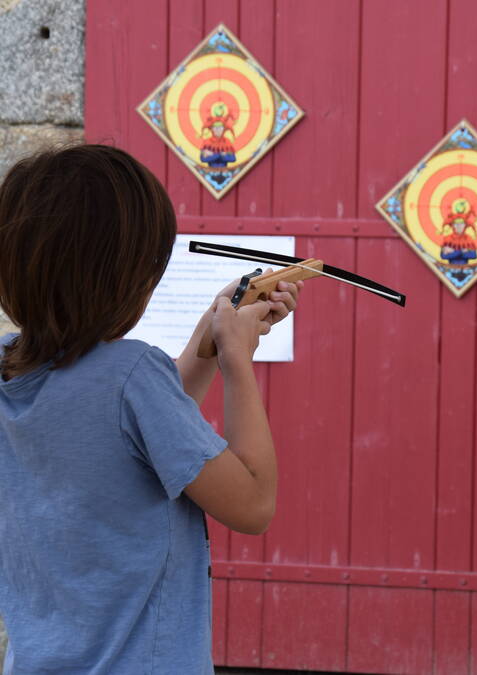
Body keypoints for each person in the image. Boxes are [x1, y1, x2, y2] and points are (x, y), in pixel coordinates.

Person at [0, 144, 301, 674]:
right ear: (127, 277)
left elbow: (137, 439)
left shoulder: (13, 370)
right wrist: (235, 358)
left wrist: (208, 337)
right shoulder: (131, 376)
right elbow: (252, 503)